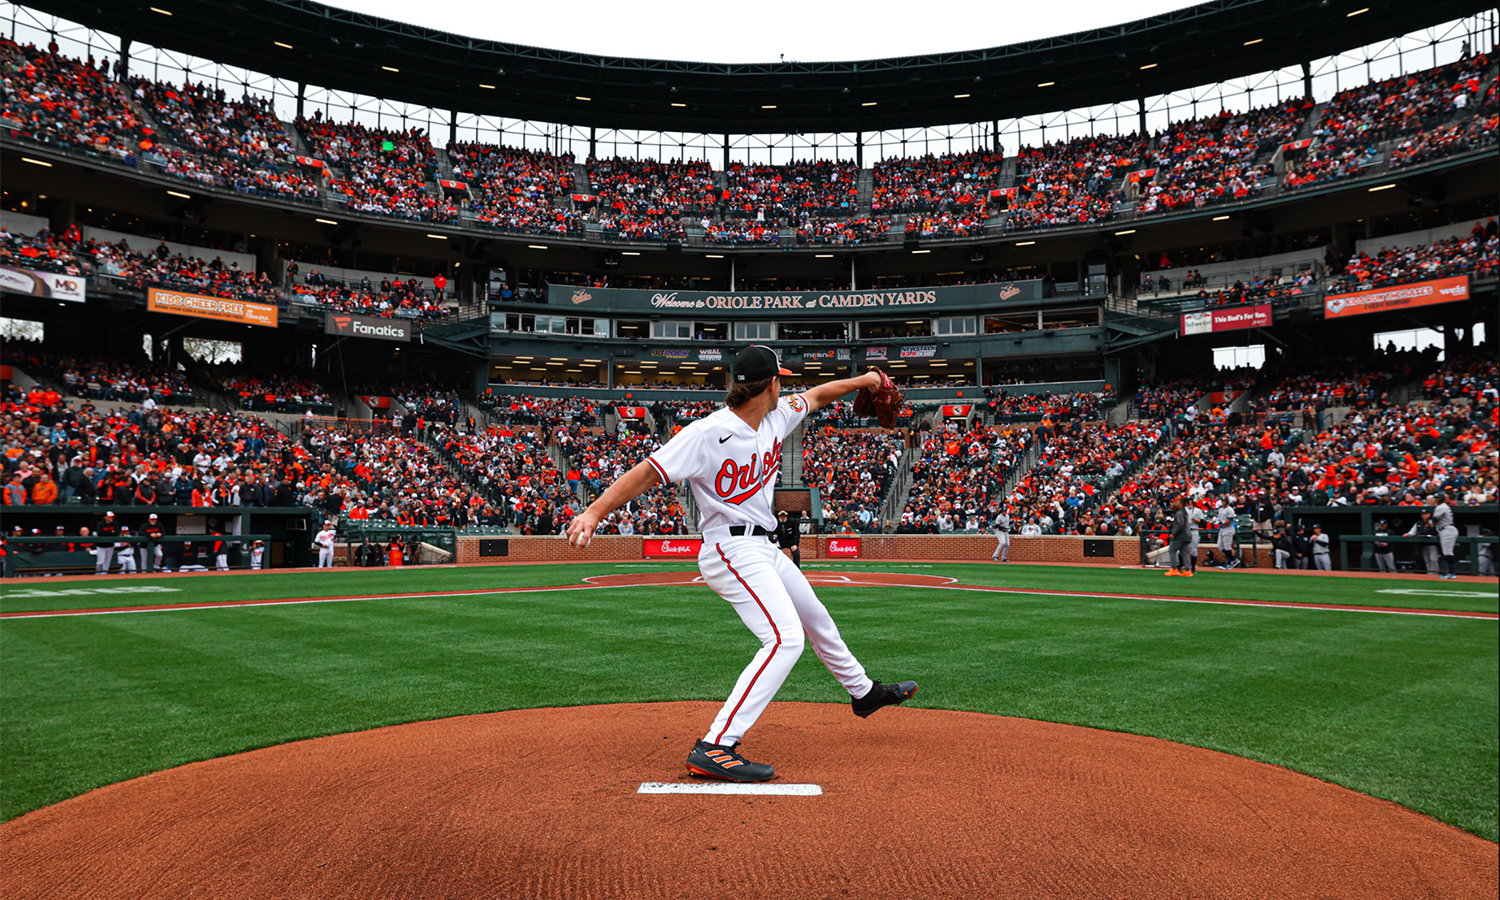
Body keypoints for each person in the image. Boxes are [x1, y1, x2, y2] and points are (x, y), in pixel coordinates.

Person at [565, 347, 917, 783]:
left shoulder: (777, 415)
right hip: (728, 550)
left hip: (763, 547)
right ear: (769, 384)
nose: (786, 386)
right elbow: (647, 472)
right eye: (781, 379)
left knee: (815, 617)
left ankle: (863, 693)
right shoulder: (707, 433)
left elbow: (822, 394)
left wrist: (867, 381)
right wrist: (595, 510)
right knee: (785, 639)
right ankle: (716, 745)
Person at [1431, 492, 1459, 579]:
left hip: (1447, 530)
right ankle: (1450, 572)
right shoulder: (1443, 506)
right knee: (1447, 552)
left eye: (1435, 498)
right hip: (1446, 529)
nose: (1434, 500)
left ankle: (1451, 572)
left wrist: (1427, 525)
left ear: (1438, 499)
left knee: (1448, 552)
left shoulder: (1441, 507)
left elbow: (1434, 519)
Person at [1165, 497, 1193, 577]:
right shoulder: (1184, 512)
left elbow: (1180, 525)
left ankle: (1174, 569)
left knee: (1172, 550)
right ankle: (1188, 570)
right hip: (1187, 535)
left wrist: (1174, 533)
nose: (1176, 504)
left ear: (1181, 504)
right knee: (1184, 552)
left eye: (1178, 502)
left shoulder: (1180, 513)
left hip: (1180, 536)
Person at [1215, 496, 1239, 569]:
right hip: (1222, 528)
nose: (1223, 502)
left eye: (1224, 501)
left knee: (1227, 546)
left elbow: (1229, 521)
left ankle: (1228, 563)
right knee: (1220, 546)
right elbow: (1218, 519)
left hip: (1228, 529)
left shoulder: (1230, 510)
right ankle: (1233, 559)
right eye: (1222, 501)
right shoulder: (1220, 509)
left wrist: (1220, 522)